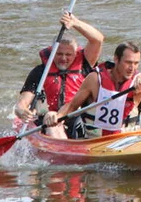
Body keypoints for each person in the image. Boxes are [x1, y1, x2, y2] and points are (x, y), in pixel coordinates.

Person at [14, 11, 104, 139]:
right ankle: (63, 149)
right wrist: (21, 111)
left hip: (78, 116)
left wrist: (75, 23)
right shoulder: (41, 71)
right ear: (51, 52)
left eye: (68, 55)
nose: (63, 58)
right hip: (48, 121)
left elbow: (98, 40)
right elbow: (22, 103)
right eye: (59, 54)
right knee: (51, 117)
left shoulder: (85, 63)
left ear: (76, 54)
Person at [44, 41, 141, 136]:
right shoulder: (95, 79)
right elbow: (72, 105)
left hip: (127, 139)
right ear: (116, 59)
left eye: (136, 63)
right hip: (96, 140)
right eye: (128, 62)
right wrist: (58, 117)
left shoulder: (140, 79)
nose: (132, 67)